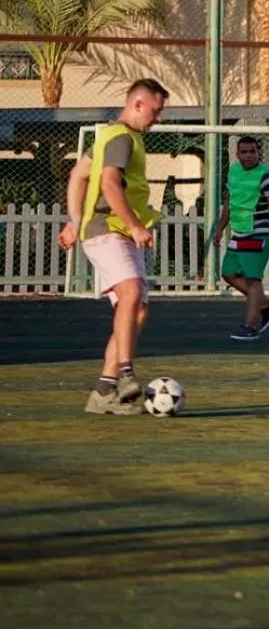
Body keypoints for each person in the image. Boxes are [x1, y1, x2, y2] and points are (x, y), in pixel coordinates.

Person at [57, 78, 169, 415]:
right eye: (155, 110)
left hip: (109, 229)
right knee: (131, 292)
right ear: (137, 104)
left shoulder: (110, 136)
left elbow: (78, 175)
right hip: (110, 229)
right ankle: (125, 373)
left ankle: (104, 390)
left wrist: (75, 220)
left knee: (137, 309)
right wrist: (135, 225)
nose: (157, 118)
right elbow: (107, 183)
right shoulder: (121, 137)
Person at [208, 135, 269, 340]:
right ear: (237, 154)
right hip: (241, 232)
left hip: (261, 232)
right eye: (244, 152)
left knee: (253, 279)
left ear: (258, 153)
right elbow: (230, 201)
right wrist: (220, 228)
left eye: (252, 152)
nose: (248, 156)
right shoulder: (234, 173)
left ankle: (251, 326)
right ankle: (265, 305)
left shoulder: (266, 177)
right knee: (228, 273)